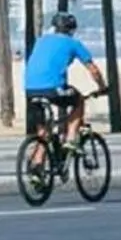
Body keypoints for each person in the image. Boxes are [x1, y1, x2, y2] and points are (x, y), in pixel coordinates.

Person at [22, 11, 105, 153]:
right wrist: (102, 87)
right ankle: (71, 138)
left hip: (30, 89)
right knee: (78, 100)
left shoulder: (41, 41)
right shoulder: (73, 43)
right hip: (53, 89)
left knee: (43, 133)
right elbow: (94, 70)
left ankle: (37, 167)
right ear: (72, 29)